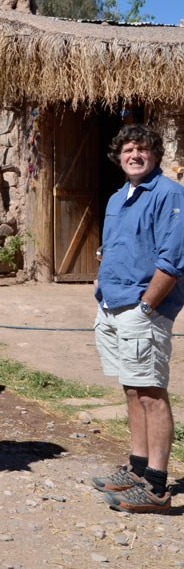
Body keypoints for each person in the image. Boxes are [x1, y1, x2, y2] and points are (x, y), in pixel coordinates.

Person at [91, 124, 183, 514]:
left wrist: (147, 306)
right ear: (119, 155)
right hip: (112, 305)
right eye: (128, 149)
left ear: (156, 154)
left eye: (143, 149)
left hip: (141, 310)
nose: (135, 155)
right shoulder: (118, 197)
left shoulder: (170, 194)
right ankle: (138, 467)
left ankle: (157, 486)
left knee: (151, 393)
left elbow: (173, 260)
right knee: (132, 389)